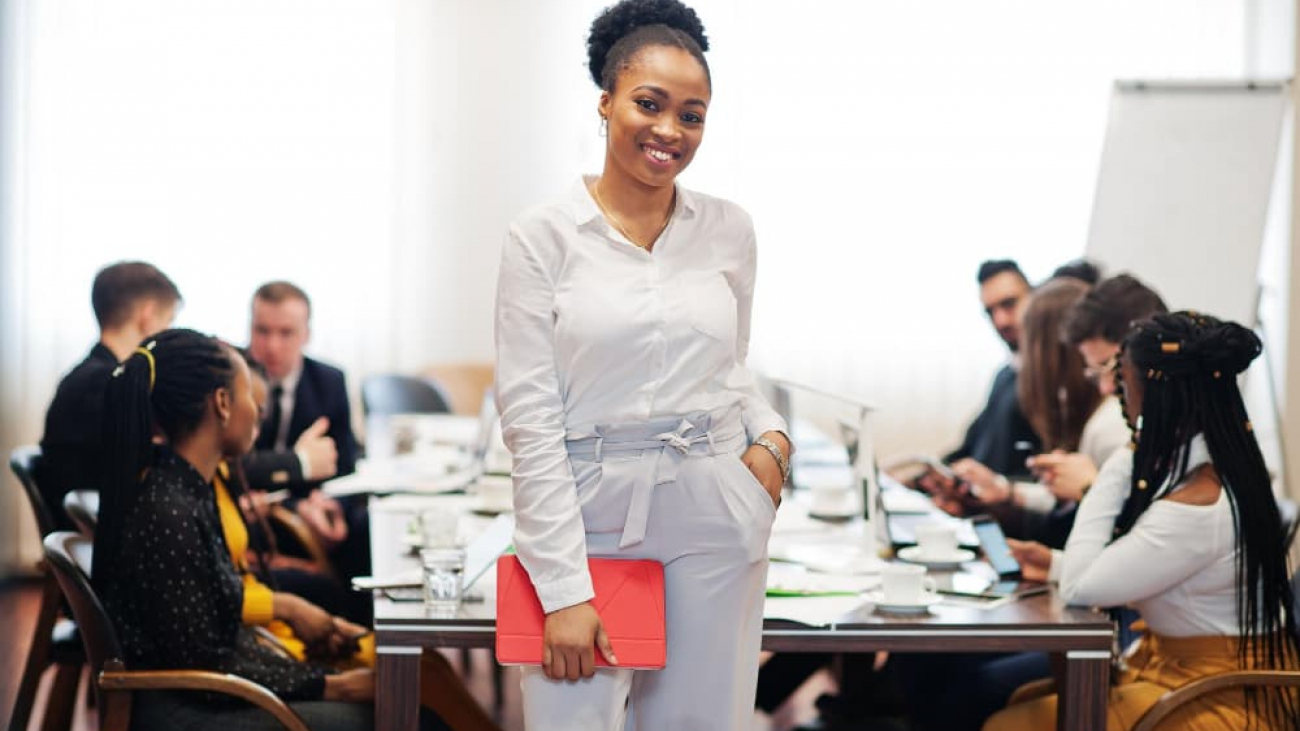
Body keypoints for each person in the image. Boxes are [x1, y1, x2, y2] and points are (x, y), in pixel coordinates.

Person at [494, 1, 790, 727]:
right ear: (606, 101)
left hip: (714, 510)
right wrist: (562, 588)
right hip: (586, 513)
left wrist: (774, 440)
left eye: (692, 115)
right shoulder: (541, 237)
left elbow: (733, 365)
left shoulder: (730, 230)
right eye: (649, 105)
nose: (669, 131)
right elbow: (530, 421)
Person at [94, 328, 451, 730]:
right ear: (223, 404)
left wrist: (314, 662)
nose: (259, 412)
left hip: (215, 690)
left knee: (417, 708)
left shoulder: (187, 488)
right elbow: (205, 664)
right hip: (192, 710)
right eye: (250, 395)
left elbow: (219, 626)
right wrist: (334, 686)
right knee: (414, 721)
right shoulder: (168, 510)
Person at [985, 312, 1300, 730]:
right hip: (1197, 674)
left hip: (1216, 696)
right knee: (1028, 702)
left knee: (1009, 725)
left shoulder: (1195, 507)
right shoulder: (1219, 469)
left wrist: (1122, 460)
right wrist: (1053, 564)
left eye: (1124, 382)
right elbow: (1150, 568)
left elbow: (1081, 588)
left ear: (1153, 395)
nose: (1119, 397)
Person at [1008, 273, 1168, 583]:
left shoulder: (1114, 427)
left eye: (1110, 367)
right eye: (1096, 373)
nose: (1107, 388)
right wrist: (1054, 565)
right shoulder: (1129, 424)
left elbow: (1141, 551)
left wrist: (1090, 490)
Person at [244, 280, 370, 599]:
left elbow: (345, 465)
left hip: (310, 508)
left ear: (306, 335)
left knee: (362, 526)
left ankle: (360, 629)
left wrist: (330, 506)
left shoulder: (329, 381)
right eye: (262, 331)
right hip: (251, 513)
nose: (272, 346)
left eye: (286, 333)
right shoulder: (232, 379)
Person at [37, 261, 180, 530]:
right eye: (169, 321)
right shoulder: (109, 385)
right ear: (147, 316)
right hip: (100, 536)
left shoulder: (87, 377)